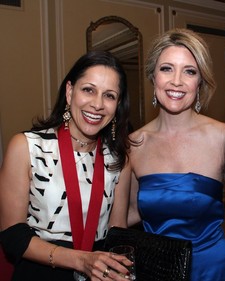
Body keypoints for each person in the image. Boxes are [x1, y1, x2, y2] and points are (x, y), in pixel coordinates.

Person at [0, 51, 133, 281]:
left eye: (109, 95)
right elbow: (12, 235)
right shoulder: (26, 147)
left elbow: (117, 233)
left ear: (117, 105)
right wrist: (81, 260)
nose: (98, 104)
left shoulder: (119, 159)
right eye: (88, 90)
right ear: (70, 92)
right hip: (39, 274)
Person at [127, 28, 225, 280]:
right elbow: (126, 215)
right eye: (167, 68)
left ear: (200, 81)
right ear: (153, 76)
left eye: (189, 71)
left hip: (211, 270)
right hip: (156, 270)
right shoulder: (133, 145)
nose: (177, 81)